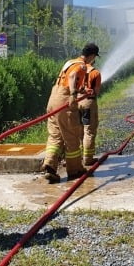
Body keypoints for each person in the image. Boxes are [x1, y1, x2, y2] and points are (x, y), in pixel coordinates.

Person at [41, 43, 100, 183]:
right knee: (72, 136)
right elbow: (73, 77)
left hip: (53, 99)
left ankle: (50, 164)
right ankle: (75, 171)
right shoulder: (82, 66)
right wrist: (73, 94)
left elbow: (67, 80)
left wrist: (82, 91)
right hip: (64, 102)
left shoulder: (69, 62)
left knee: (55, 136)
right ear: (91, 56)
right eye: (94, 57)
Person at [79, 58, 102, 166]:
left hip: (77, 103)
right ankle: (88, 159)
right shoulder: (95, 73)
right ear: (92, 60)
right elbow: (96, 91)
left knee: (78, 131)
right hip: (88, 103)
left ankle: (76, 159)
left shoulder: (78, 70)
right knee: (89, 131)